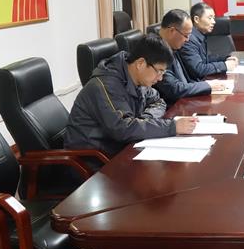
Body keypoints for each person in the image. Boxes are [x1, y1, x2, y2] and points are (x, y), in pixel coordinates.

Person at [64, 34, 197, 157]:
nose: (160, 78)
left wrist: (145, 120)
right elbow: (123, 128)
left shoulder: (137, 78)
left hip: (120, 150)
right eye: (159, 71)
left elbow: (158, 101)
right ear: (140, 64)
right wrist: (172, 127)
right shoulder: (105, 85)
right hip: (94, 161)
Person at [154, 9, 229, 104]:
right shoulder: (156, 51)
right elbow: (174, 89)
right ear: (172, 31)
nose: (187, 40)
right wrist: (207, 85)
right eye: (186, 35)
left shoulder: (172, 46)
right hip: (173, 107)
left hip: (186, 100)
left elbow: (186, 79)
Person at [180, 2, 238, 81]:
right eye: (210, 18)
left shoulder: (199, 36)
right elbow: (199, 69)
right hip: (195, 84)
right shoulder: (189, 40)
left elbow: (205, 60)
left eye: (213, 18)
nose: (214, 22)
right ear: (196, 19)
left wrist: (225, 59)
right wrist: (225, 65)